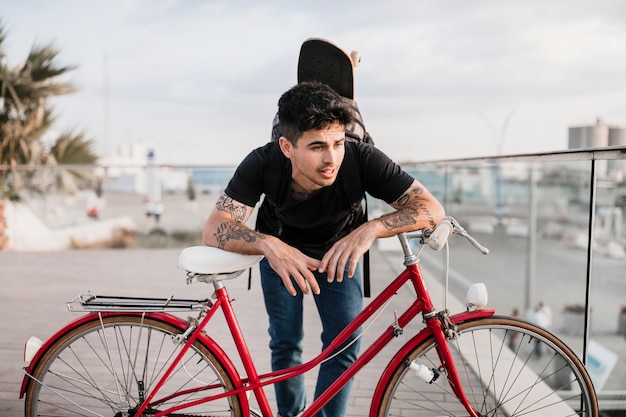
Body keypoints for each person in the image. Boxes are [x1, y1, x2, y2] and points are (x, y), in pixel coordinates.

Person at [202, 81, 446, 417]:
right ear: (287, 146)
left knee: (344, 345)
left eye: (337, 142)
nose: (331, 158)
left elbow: (431, 208)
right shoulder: (263, 163)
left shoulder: (362, 158)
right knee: (285, 345)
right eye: (317, 146)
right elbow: (214, 227)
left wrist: (371, 229)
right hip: (281, 255)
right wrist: (269, 245)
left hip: (340, 254)